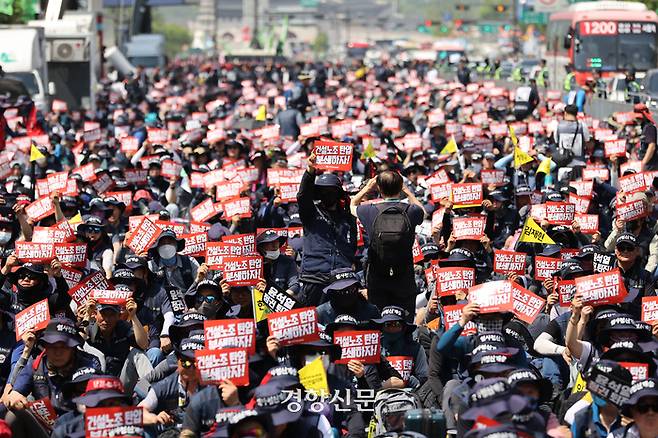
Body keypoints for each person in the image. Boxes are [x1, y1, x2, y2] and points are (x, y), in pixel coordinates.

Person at [351, 170, 425, 317]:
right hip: (404, 277)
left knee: (379, 320)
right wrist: (407, 191)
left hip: (377, 278)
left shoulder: (368, 211)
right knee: (405, 322)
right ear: (400, 187)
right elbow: (423, 211)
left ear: (379, 188)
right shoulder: (411, 210)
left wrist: (367, 187)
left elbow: (352, 204)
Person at [296, 150, 357, 307]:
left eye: (331, 191)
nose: (327, 194)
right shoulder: (310, 212)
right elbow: (303, 196)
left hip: (342, 280)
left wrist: (348, 262)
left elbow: (352, 244)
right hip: (314, 278)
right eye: (323, 191)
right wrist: (310, 172)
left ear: (338, 194)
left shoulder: (347, 217)